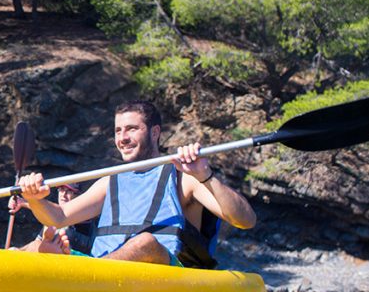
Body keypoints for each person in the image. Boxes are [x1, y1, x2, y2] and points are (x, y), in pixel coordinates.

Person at [17, 100, 256, 267]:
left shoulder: (184, 178)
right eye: (118, 131)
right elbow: (59, 217)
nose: (122, 138)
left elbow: (245, 221)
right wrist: (34, 199)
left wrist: (205, 174)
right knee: (38, 242)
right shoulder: (111, 180)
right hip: (105, 270)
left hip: (164, 272)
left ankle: (81, 273)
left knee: (144, 242)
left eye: (132, 129)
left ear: (154, 133)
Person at [8, 183, 94, 255]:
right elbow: (36, 243)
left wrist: (25, 202)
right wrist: (17, 251)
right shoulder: (53, 220)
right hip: (56, 260)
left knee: (60, 228)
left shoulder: (85, 214)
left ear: (78, 195)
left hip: (81, 260)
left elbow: (63, 215)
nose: (63, 195)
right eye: (61, 189)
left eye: (69, 192)